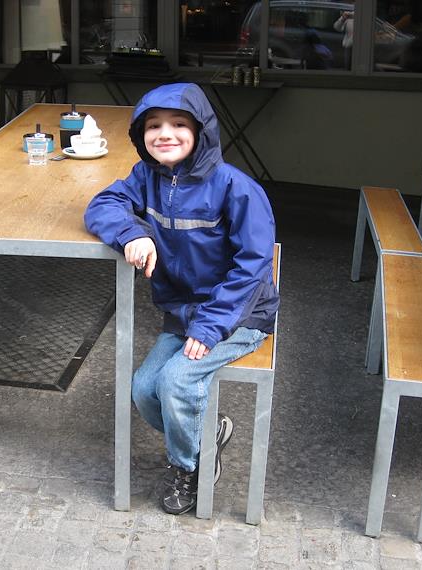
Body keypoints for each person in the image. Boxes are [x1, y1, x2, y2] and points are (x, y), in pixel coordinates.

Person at [84, 83, 279, 515]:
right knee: (143, 390)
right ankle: (206, 433)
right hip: (183, 312)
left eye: (178, 124)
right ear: (141, 135)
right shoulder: (147, 178)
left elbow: (253, 266)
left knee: (175, 382)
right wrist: (132, 233)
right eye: (153, 126)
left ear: (201, 131)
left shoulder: (236, 187)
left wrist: (210, 327)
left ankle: (187, 466)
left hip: (238, 315)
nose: (165, 134)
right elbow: (103, 204)